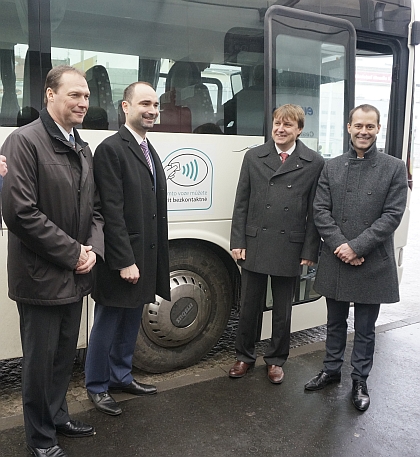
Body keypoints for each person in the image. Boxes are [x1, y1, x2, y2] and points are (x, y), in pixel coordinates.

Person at [1, 65, 104, 457]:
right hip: (41, 277)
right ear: (49, 95)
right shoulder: (23, 142)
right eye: (74, 95)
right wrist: (73, 252)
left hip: (75, 275)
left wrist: (92, 249)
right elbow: (19, 212)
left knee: (63, 357)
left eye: (86, 96)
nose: (83, 102)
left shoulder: (82, 146)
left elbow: (95, 209)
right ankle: (41, 439)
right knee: (40, 365)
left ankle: (58, 417)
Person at [304, 104, 407, 411]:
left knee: (364, 327)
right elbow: (320, 211)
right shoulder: (331, 166)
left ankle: (360, 380)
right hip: (338, 257)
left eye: (370, 126)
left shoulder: (393, 167)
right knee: (334, 322)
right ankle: (331, 369)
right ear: (348, 127)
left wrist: (357, 247)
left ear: (378, 129)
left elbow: (392, 215)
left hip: (371, 260)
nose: (364, 131)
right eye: (358, 125)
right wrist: (341, 246)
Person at [84, 82, 170, 416]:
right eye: (145, 103)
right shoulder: (111, 149)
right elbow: (110, 211)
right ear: (125, 107)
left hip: (143, 256)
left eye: (156, 105)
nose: (152, 110)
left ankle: (121, 376)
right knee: (107, 323)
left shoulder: (149, 148)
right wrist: (124, 261)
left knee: (131, 322)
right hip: (121, 260)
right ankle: (96, 385)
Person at [229, 104, 324, 383]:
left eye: (288, 125)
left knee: (283, 309)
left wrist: (309, 249)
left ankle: (276, 360)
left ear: (299, 130)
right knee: (249, 306)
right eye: (277, 124)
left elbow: (315, 211)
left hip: (290, 245)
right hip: (255, 241)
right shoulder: (254, 156)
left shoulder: (314, 162)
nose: (280, 130)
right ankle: (244, 356)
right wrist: (238, 240)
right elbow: (241, 202)